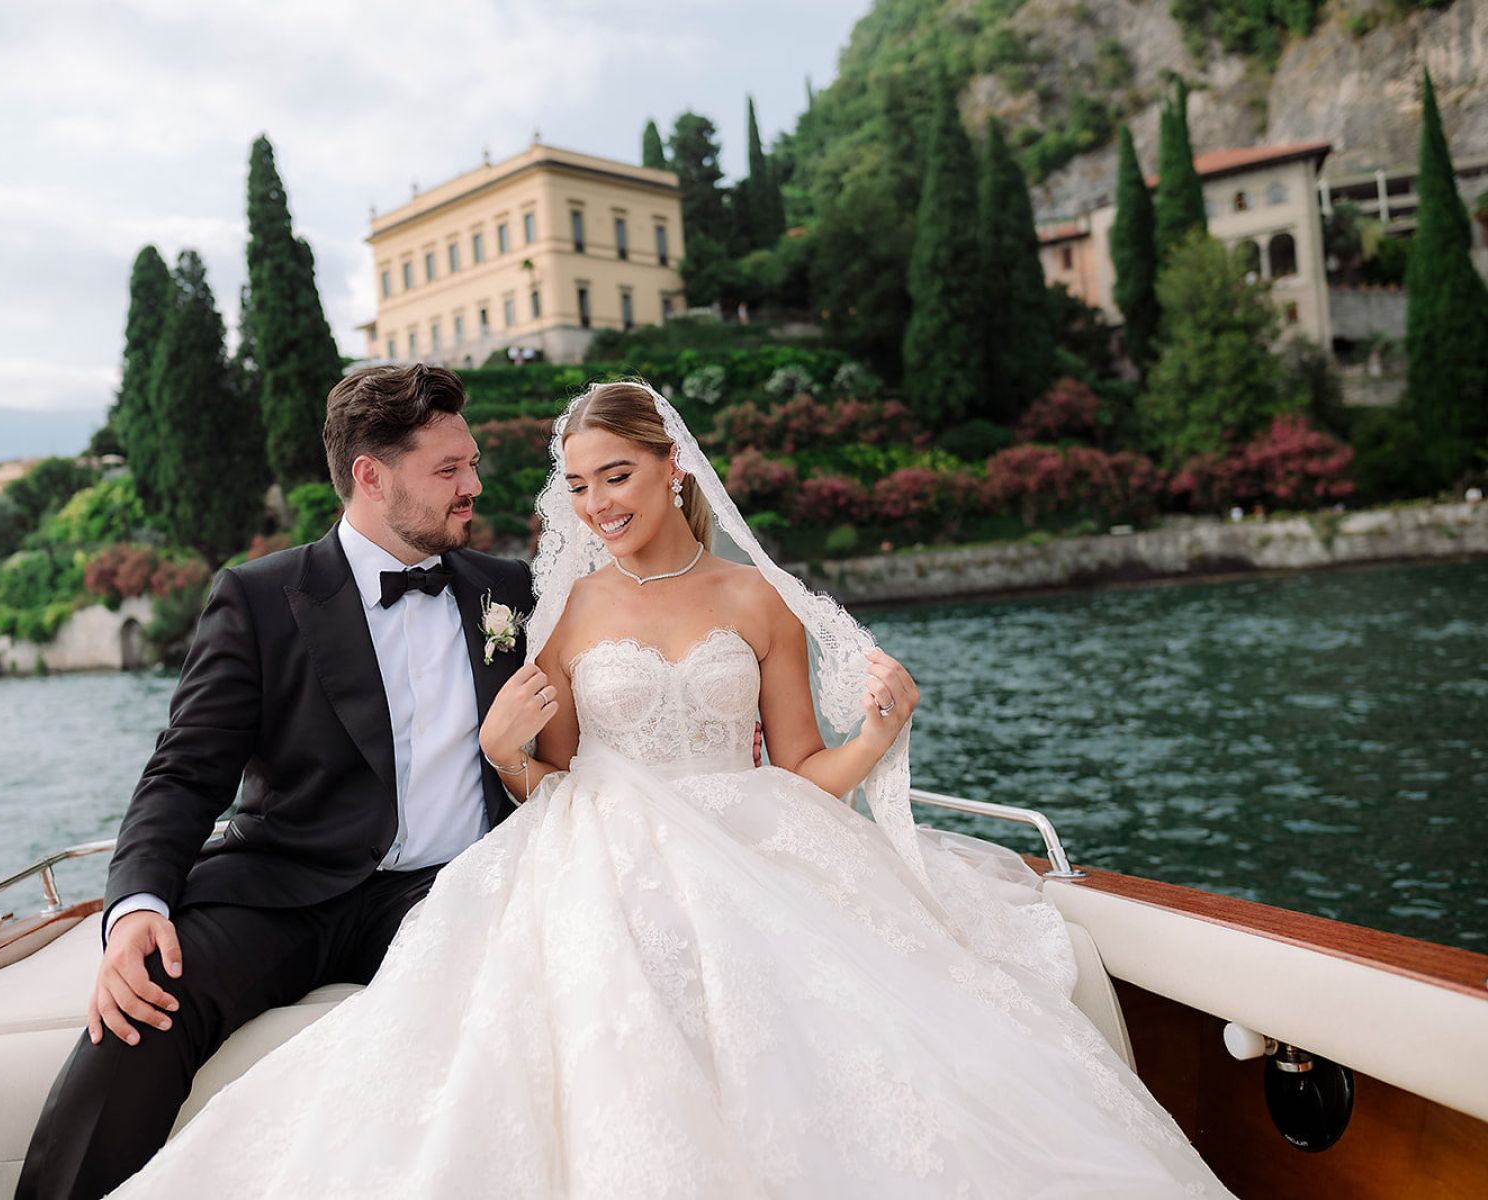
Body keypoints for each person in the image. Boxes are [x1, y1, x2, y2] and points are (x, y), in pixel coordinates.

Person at [109, 381, 1234, 1198]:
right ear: (376, 474)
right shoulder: (558, 607)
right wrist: (506, 750)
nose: (592, 503)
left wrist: (882, 729)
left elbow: (802, 775)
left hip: (748, 834)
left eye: (618, 478)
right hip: (561, 840)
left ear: (673, 469)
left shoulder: (750, 600)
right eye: (578, 484)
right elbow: (526, 767)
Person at [15, 364, 536, 1200]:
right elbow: (185, 772)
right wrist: (137, 908)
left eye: (470, 463)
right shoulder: (259, 598)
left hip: (446, 891)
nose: (474, 484)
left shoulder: (507, 591)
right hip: (282, 884)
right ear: (370, 475)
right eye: (449, 470)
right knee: (142, 1008)